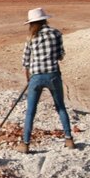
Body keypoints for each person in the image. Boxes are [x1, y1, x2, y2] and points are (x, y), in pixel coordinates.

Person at [18, 8, 75, 153]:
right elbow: (61, 55)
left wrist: (29, 78)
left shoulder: (31, 37)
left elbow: (25, 61)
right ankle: (69, 139)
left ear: (31, 23)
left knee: (31, 111)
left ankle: (25, 144)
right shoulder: (56, 33)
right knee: (60, 107)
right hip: (53, 75)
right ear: (45, 20)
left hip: (36, 77)